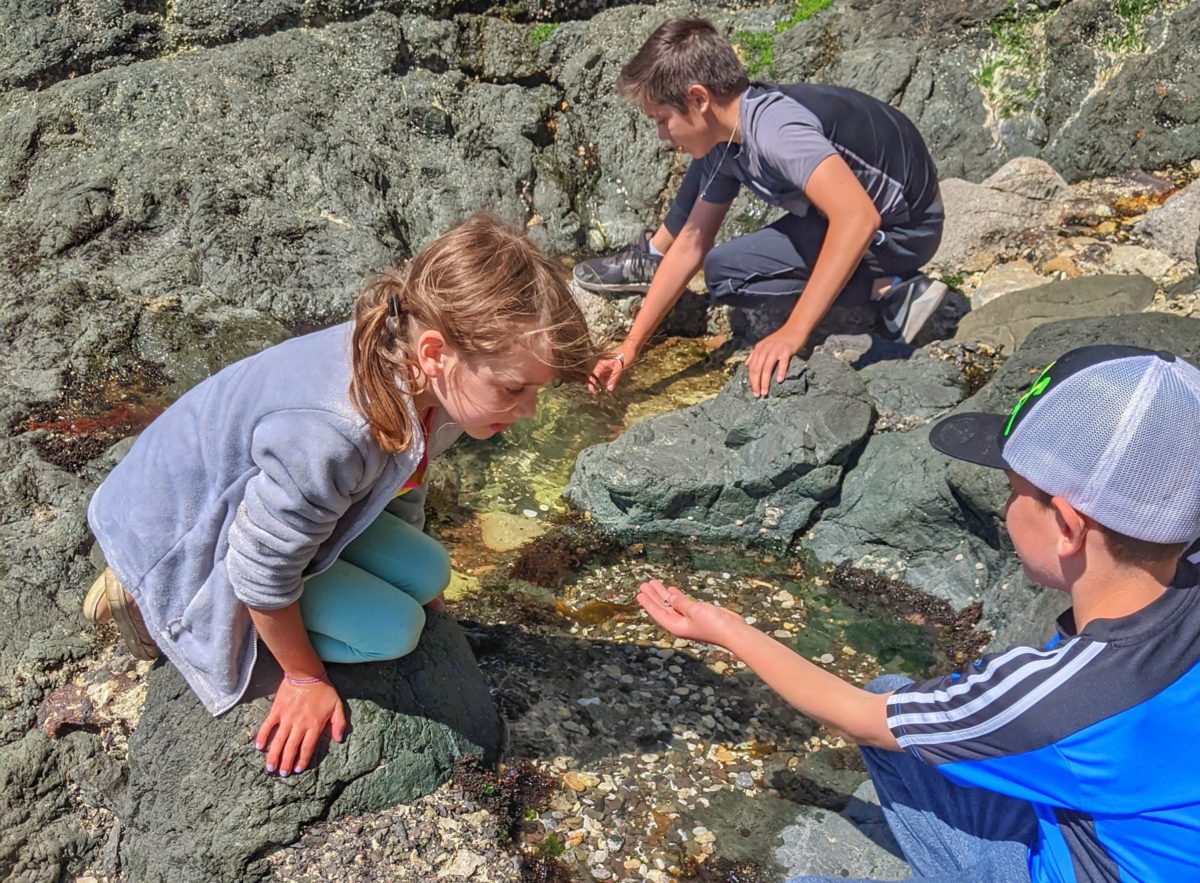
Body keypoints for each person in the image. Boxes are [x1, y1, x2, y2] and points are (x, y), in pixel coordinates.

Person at [637, 345, 1200, 881]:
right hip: (1103, 828)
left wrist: (726, 629)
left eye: (1012, 491)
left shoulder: (1061, 697)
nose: (1005, 507)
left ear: (1068, 527)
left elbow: (858, 716)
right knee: (894, 692)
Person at [82, 214, 596, 778]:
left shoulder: (432, 387)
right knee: (394, 630)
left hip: (260, 510)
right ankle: (140, 599)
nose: (527, 410)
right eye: (513, 388)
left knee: (427, 571)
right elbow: (256, 569)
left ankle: (313, 573)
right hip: (184, 534)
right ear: (434, 353)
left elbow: (403, 482)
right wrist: (303, 678)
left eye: (534, 391)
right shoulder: (336, 431)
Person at [578, 18, 947, 398]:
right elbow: (690, 245)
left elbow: (858, 217)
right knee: (723, 274)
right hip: (862, 218)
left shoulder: (775, 129)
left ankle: (891, 288)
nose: (662, 137)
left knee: (747, 274)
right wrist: (630, 347)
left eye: (662, 120)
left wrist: (793, 331)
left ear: (698, 99)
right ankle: (880, 284)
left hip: (906, 230)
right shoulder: (726, 142)